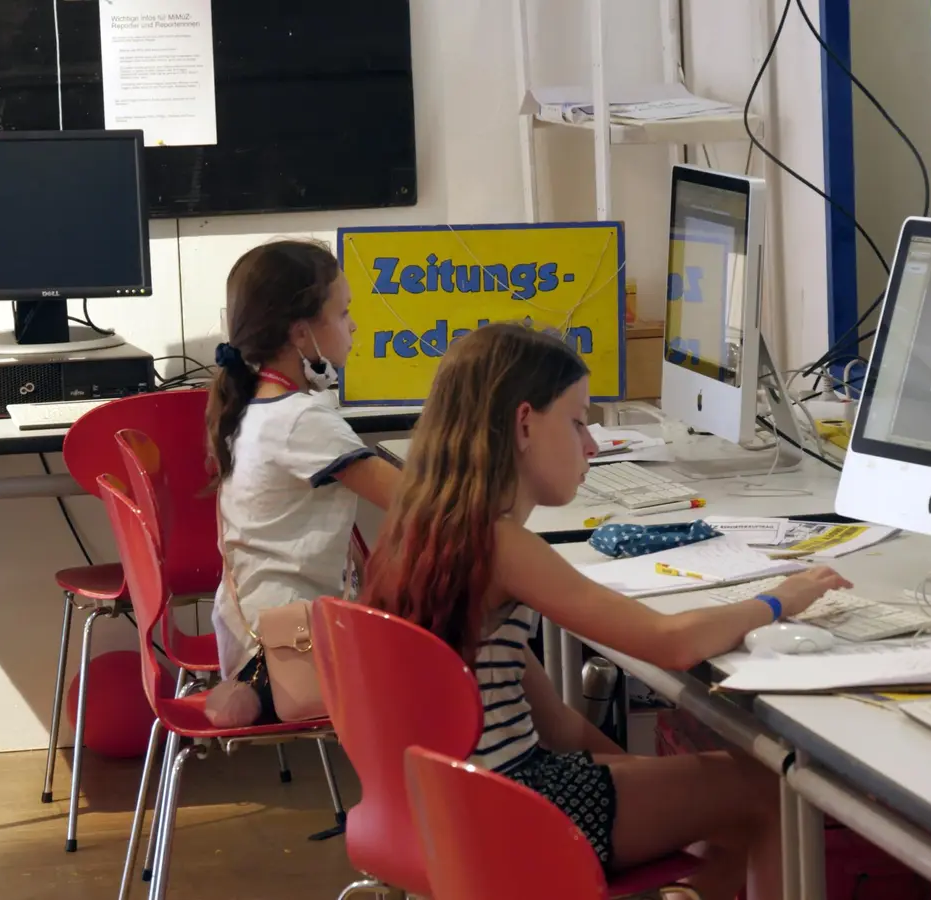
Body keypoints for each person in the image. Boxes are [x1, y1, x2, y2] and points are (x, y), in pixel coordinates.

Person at [363, 322, 849, 899]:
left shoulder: (422, 533)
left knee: (722, 785)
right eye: (577, 421)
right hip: (510, 810)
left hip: (458, 803)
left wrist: (649, 783)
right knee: (766, 791)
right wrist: (777, 600)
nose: (591, 444)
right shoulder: (502, 546)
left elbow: (556, 722)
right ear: (523, 424)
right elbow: (672, 644)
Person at [206, 239, 400, 721]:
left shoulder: (253, 406)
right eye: (342, 313)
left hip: (256, 640)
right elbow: (415, 499)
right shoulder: (299, 420)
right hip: (292, 654)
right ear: (300, 334)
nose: (353, 324)